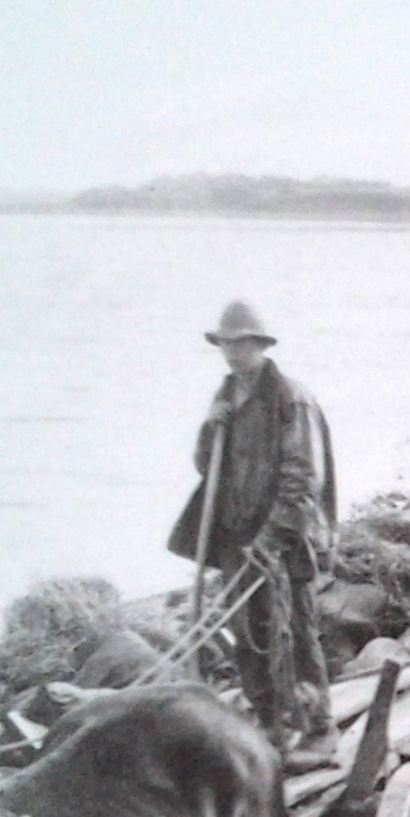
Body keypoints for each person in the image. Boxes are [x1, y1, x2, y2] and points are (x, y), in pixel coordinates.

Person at [167, 301, 337, 754]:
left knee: (295, 630)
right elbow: (208, 467)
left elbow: (304, 478)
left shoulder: (289, 397)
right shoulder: (225, 397)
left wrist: (272, 537)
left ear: (260, 345)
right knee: (248, 634)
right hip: (234, 536)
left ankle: (319, 725)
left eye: (242, 344)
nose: (232, 353)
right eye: (226, 344)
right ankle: (268, 723)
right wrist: (208, 430)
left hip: (283, 537)